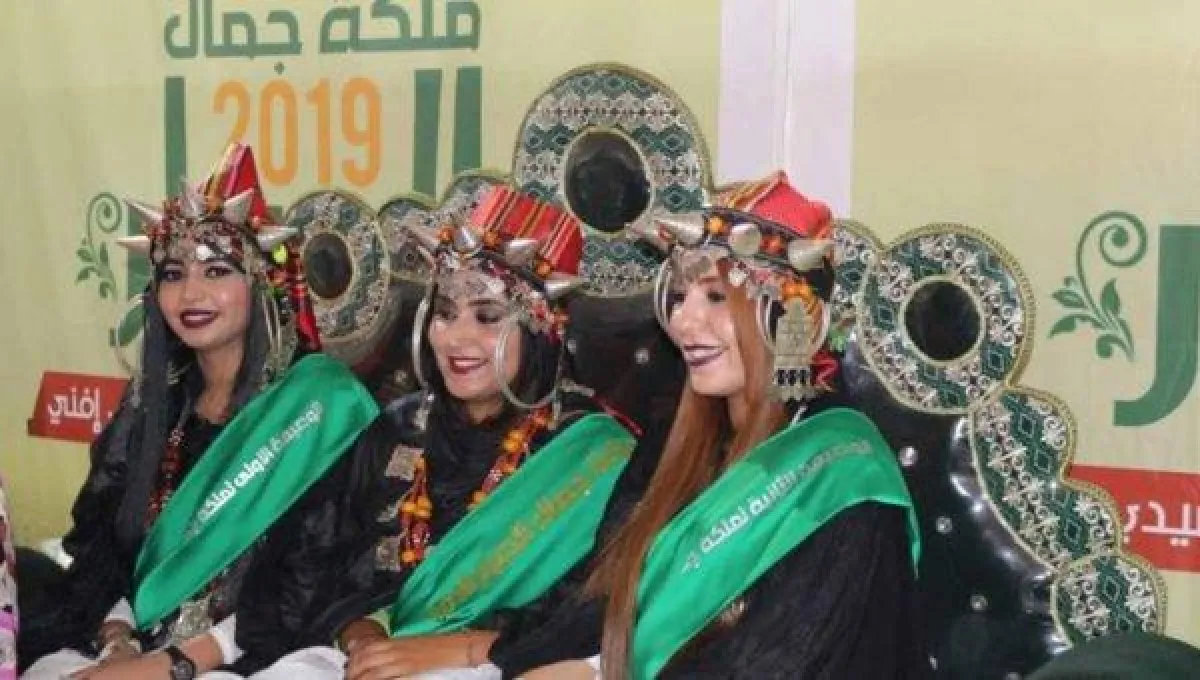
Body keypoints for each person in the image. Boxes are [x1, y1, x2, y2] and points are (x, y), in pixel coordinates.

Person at [523, 172, 927, 679]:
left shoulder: (843, 477)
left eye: (716, 298)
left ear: (789, 319)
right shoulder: (672, 444)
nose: (684, 323)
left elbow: (780, 663)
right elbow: (597, 608)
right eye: (681, 297)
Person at [246, 186, 643, 680]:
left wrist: (463, 650)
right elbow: (320, 563)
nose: (457, 338)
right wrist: (360, 632)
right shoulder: (396, 428)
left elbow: (594, 613)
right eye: (445, 312)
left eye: (488, 316)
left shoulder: (597, 455)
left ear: (542, 327)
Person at [22, 144, 379, 679]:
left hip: (255, 653)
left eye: (216, 271)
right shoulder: (152, 404)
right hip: (137, 639)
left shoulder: (314, 406)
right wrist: (118, 641)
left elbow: (313, 578)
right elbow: (100, 541)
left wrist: (175, 665)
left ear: (260, 280)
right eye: (172, 273)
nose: (191, 293)